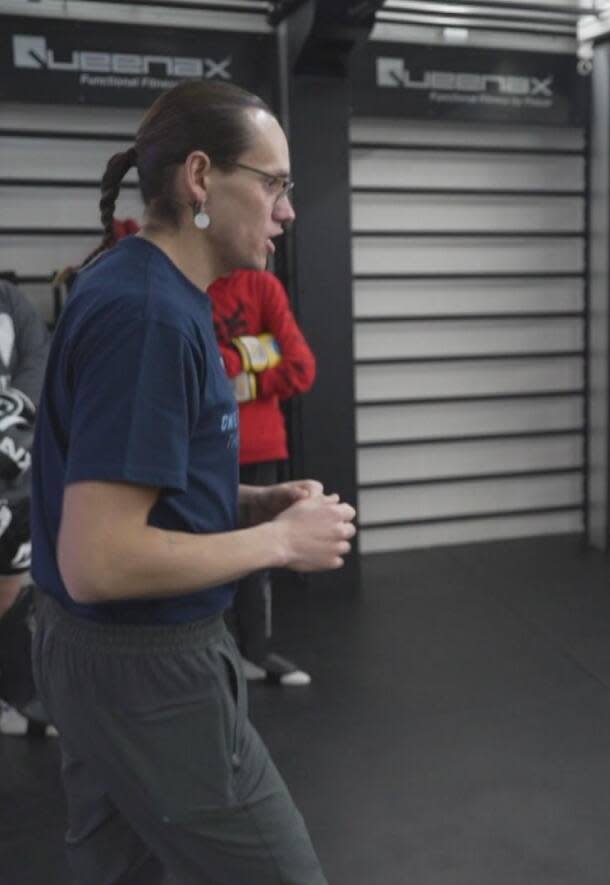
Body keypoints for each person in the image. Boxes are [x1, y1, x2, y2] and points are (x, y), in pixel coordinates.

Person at [29, 80, 356, 884]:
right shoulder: (149, 316)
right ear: (201, 178)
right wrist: (276, 542)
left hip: (101, 658)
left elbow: (127, 491)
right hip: (147, 669)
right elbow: (99, 559)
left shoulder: (142, 287)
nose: (286, 210)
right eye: (273, 183)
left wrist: (248, 501)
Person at [210, 268, 316, 686]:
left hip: (258, 447)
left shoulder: (261, 287)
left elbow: (300, 366)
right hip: (201, 448)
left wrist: (236, 372)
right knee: (203, 554)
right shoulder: (184, 282)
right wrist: (259, 350)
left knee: (257, 558)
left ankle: (256, 651)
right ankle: (216, 658)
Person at [0, 276, 51, 736]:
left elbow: (38, 357)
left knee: (14, 584)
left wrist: (13, 411)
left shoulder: (10, 299)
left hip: (11, 468)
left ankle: (25, 694)